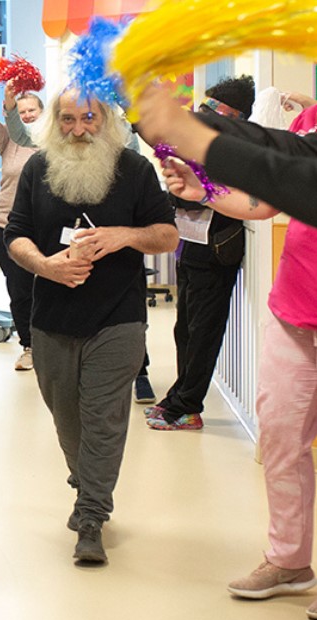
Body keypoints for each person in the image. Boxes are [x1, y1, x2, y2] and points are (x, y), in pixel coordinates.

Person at [5, 89, 178, 565]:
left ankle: (91, 517)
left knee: (103, 417)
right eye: (67, 119)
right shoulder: (39, 170)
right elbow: (14, 234)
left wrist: (125, 236)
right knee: (68, 420)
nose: (78, 129)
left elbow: (167, 234)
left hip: (118, 318)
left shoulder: (135, 170)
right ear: (52, 123)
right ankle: (87, 481)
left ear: (105, 120)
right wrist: (44, 265)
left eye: (88, 118)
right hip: (52, 318)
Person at [159, 102, 317, 617]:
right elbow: (265, 198)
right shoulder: (309, 119)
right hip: (295, 309)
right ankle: (289, 560)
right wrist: (204, 192)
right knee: (281, 439)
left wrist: (197, 137)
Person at [145, 76, 256, 431]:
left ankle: (188, 405)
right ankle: (179, 396)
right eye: (203, 107)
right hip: (190, 244)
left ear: (234, 116)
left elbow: (195, 195)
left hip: (216, 251)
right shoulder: (201, 143)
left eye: (211, 110)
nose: (202, 114)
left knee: (204, 332)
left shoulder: (237, 150)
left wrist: (185, 188)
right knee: (184, 330)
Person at [135, 82, 317, 226]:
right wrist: (203, 191)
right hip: (294, 267)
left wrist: (192, 134)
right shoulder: (307, 122)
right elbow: (263, 204)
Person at [0, 81, 41, 370]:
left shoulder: (50, 141)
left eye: (32, 110)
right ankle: (29, 347)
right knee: (20, 290)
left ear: (42, 111)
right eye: (21, 110)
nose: (26, 115)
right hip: (7, 225)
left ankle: (52, 347)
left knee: (49, 289)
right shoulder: (8, 139)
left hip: (44, 228)